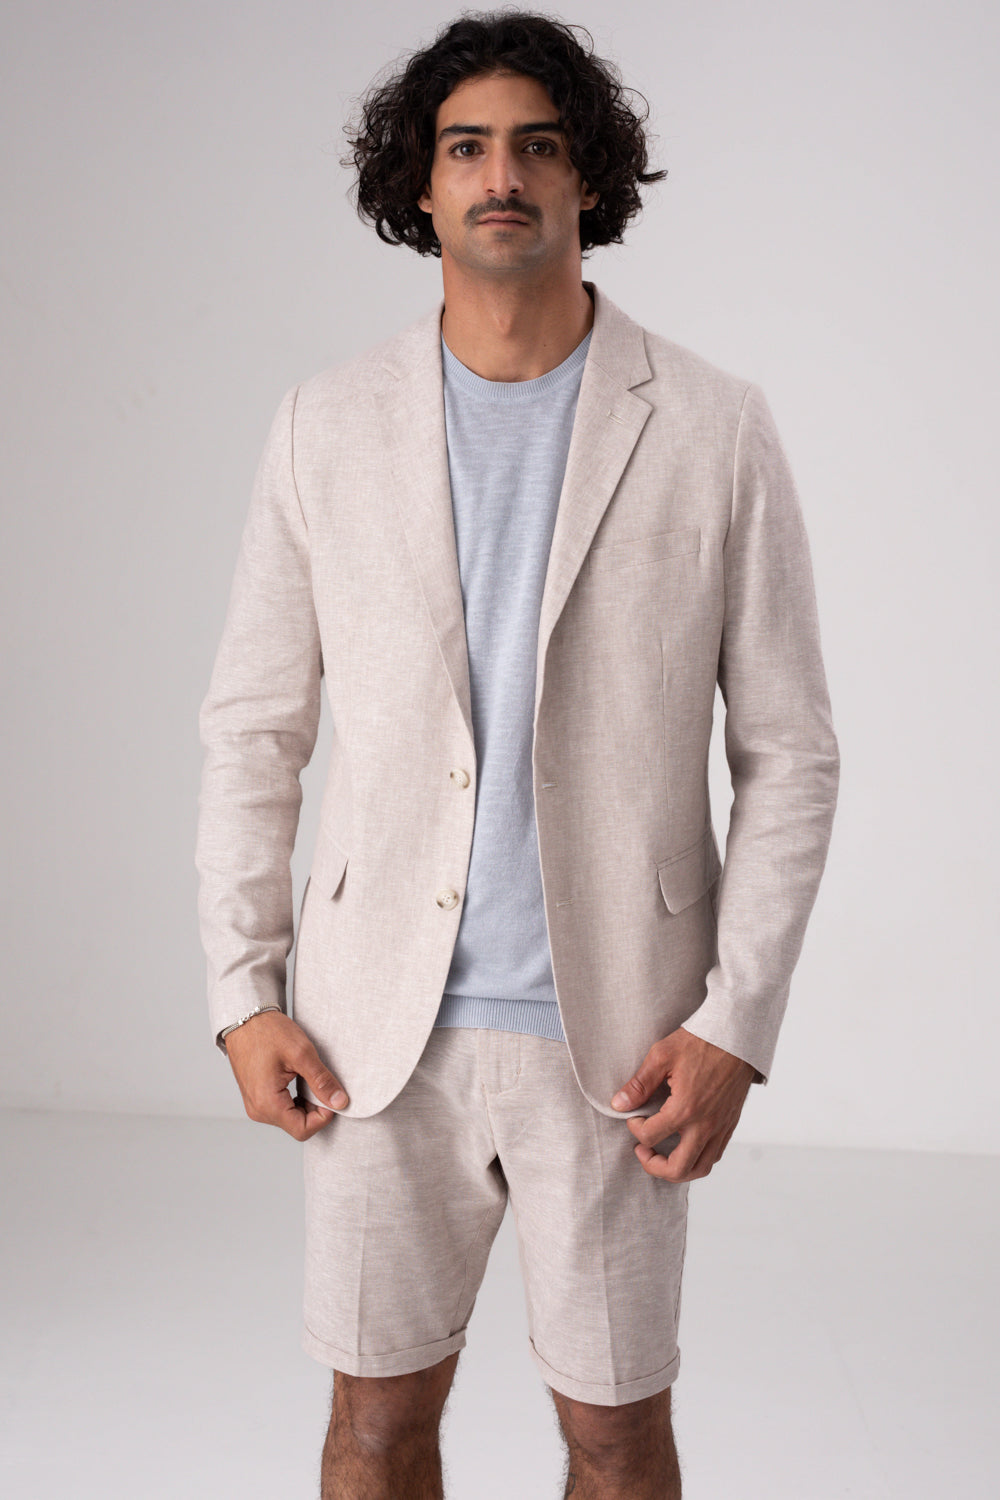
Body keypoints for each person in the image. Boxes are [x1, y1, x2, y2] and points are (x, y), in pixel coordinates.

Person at [195, 11, 840, 1498]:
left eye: (538, 147)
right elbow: (253, 729)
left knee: (615, 1436)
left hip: (620, 1035)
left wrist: (737, 1024)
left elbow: (793, 752)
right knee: (374, 1426)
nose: (502, 176)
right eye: (467, 148)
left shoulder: (715, 427)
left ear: (586, 179)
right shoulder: (322, 426)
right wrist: (241, 994)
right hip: (373, 1035)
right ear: (418, 187)